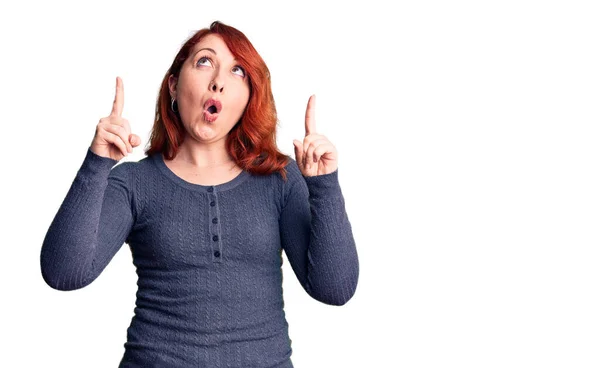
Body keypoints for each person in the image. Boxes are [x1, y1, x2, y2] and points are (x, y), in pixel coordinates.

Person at [40, 20, 359, 368]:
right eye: (205, 61)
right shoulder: (134, 182)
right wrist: (97, 162)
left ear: (249, 96)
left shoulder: (280, 179)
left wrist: (324, 185)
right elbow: (63, 273)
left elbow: (334, 289)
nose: (218, 81)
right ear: (174, 87)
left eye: (237, 71)